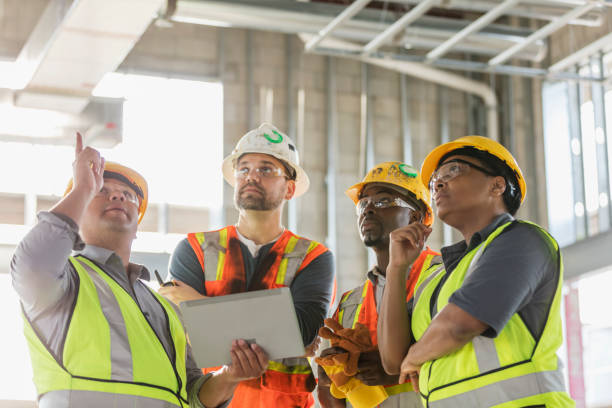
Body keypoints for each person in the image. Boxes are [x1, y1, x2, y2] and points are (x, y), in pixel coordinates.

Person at [11, 133, 268, 408]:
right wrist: (82, 188)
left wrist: (230, 377)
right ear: (78, 212)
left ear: (136, 228)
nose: (118, 194)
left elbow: (193, 395)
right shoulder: (64, 283)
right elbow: (32, 264)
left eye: (129, 196)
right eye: (101, 190)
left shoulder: (167, 310)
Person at [378, 136, 574, 407]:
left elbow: (459, 324)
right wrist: (397, 268)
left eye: (453, 170)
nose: (438, 183)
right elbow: (392, 362)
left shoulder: (524, 241)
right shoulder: (436, 277)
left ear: (497, 185)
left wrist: (415, 356)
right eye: (436, 178)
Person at [160, 123, 336, 408]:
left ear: (290, 189)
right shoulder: (195, 249)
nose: (251, 176)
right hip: (211, 399)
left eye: (266, 169)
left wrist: (198, 304)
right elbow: (178, 329)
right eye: (243, 169)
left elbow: (302, 330)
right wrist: (279, 334)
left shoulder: (313, 257)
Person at [317, 162, 439, 408]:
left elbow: (468, 354)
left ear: (415, 217)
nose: (368, 210)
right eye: (363, 204)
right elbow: (335, 393)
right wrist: (331, 377)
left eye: (383, 202)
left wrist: (396, 369)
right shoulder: (349, 303)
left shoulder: (444, 276)